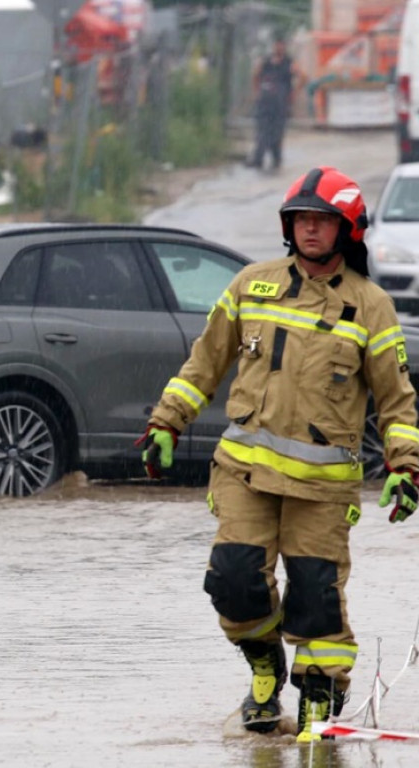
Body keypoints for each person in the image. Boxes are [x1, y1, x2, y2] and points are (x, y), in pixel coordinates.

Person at [137, 167, 419, 742]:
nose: (311, 230)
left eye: (323, 221)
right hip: (244, 474)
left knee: (315, 600)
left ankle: (319, 708)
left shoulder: (371, 307)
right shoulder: (252, 284)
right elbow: (204, 363)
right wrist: (166, 423)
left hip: (322, 491)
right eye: (302, 220)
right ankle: (265, 671)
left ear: (348, 230)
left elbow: (397, 401)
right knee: (234, 582)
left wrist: (405, 467)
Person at [247, 37, 302, 170]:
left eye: (281, 45)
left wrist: (293, 94)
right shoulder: (266, 61)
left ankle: (276, 158)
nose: (279, 48)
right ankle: (258, 159)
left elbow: (303, 76)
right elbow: (255, 75)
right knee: (262, 131)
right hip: (265, 102)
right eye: (277, 45)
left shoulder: (289, 63)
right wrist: (257, 93)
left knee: (277, 132)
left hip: (280, 103)